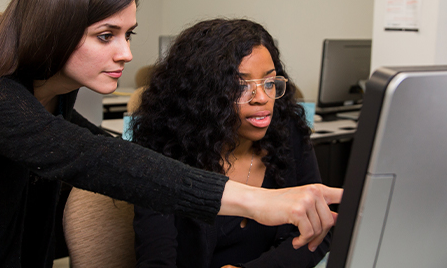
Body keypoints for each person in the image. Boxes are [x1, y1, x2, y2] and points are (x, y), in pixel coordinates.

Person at [0, 0, 340, 268]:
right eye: (106, 35)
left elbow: (92, 145)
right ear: (54, 30)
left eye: (128, 33)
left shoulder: (53, 91)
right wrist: (258, 200)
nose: (127, 52)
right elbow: (85, 156)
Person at [131, 19, 331, 268]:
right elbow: (157, 260)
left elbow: (318, 234)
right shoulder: (164, 150)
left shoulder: (287, 132)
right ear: (202, 96)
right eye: (239, 87)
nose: (262, 98)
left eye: (269, 82)